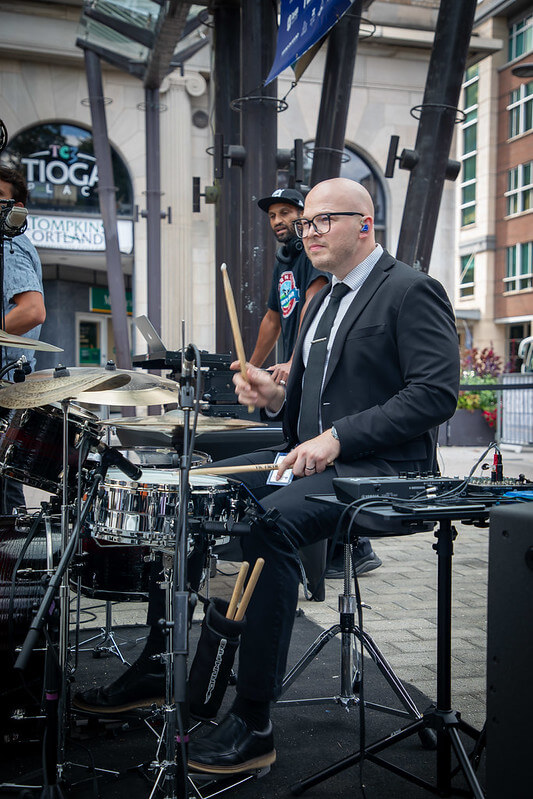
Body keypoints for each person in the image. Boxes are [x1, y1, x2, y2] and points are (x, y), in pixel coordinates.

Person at [75, 178, 460, 778]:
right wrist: (272, 392)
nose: (308, 232)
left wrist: (337, 439)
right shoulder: (320, 300)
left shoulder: (411, 291)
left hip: (383, 472)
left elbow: (435, 395)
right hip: (316, 458)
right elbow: (303, 404)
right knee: (190, 489)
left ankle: (253, 720)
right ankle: (168, 667)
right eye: (305, 224)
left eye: (321, 221)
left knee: (270, 525)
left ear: (365, 223)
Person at [0, 165, 45, 514]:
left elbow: (31, 311)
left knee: (3, 493)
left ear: (16, 208)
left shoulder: (9, 243)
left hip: (3, 385)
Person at [249, 188, 328, 385]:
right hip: (291, 371)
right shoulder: (283, 261)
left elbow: (314, 302)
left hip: (316, 369)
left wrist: (294, 361)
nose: (277, 221)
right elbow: (272, 320)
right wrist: (250, 368)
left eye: (285, 213)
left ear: (302, 215)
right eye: (272, 216)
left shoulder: (313, 250)